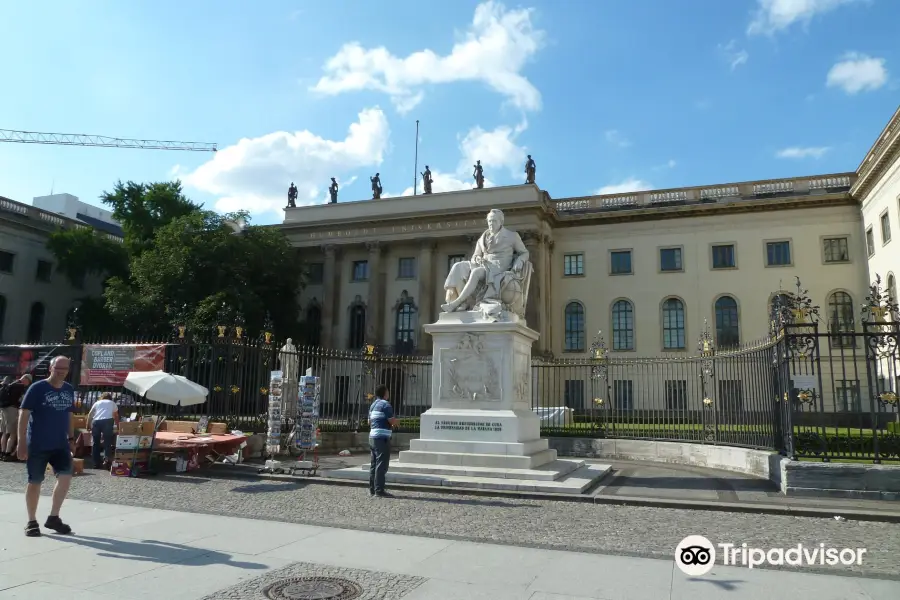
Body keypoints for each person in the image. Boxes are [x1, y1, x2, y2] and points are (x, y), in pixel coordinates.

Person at [17, 356, 76, 537]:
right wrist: (21, 442)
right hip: (38, 443)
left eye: (65, 368)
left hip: (60, 444)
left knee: (65, 477)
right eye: (58, 367)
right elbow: (24, 414)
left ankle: (54, 517)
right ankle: (31, 521)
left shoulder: (68, 389)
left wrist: (72, 437)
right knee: (35, 481)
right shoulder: (37, 388)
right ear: (51, 367)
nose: (61, 371)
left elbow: (69, 414)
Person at [368, 384, 397, 498]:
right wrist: (396, 422)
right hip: (382, 438)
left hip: (372, 437)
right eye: (388, 391)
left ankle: (372, 489)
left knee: (374, 464)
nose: (389, 393)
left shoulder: (373, 404)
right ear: (385, 393)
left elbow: (369, 422)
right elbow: (391, 421)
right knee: (381, 464)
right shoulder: (386, 405)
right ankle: (379, 490)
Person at [1, 374, 31, 461]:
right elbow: (21, 400)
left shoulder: (11, 384)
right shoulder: (20, 386)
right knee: (13, 433)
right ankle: (7, 454)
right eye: (28, 382)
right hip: (12, 410)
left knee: (4, 432)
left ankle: (2, 452)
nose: (28, 384)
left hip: (3, 409)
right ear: (26, 379)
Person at [86, 391, 119, 469]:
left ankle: (95, 463)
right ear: (110, 398)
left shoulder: (97, 403)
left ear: (102, 397)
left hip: (96, 421)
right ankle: (107, 461)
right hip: (108, 421)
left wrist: (87, 425)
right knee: (107, 442)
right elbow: (116, 416)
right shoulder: (112, 403)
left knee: (95, 442)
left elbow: (90, 414)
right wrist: (118, 426)